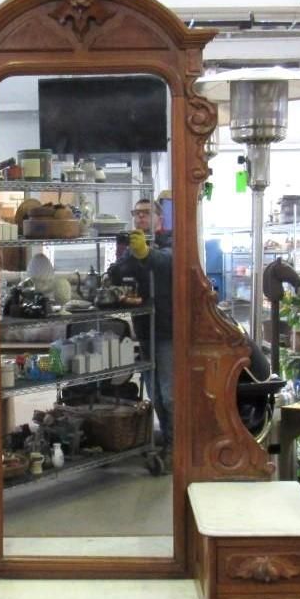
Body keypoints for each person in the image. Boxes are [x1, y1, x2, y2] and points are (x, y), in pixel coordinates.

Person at [109, 197, 173, 467]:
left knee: (170, 393)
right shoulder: (133, 247)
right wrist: (125, 258)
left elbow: (169, 264)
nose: (140, 218)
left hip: (169, 329)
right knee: (155, 391)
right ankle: (169, 439)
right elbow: (115, 272)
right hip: (144, 328)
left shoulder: (170, 241)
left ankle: (178, 445)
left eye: (146, 214)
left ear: (159, 219)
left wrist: (147, 253)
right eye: (137, 213)